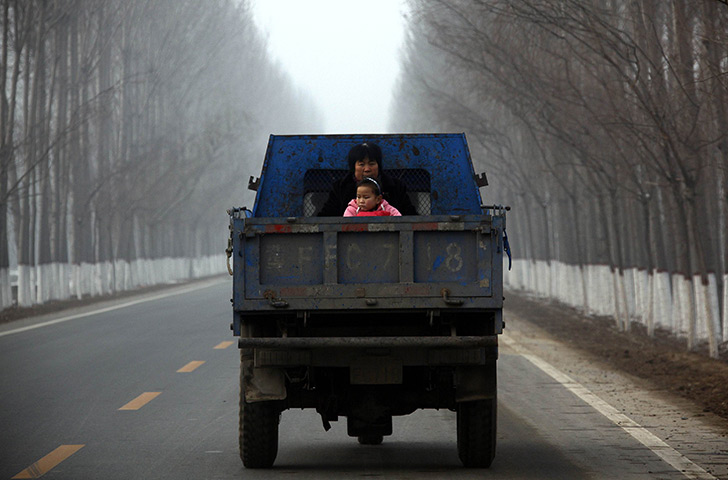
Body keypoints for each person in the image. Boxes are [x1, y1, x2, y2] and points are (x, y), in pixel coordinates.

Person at [317, 142, 417, 216]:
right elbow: (325, 217)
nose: (367, 169)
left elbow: (410, 216)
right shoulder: (340, 188)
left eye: (372, 163)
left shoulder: (395, 187)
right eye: (361, 164)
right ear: (353, 167)